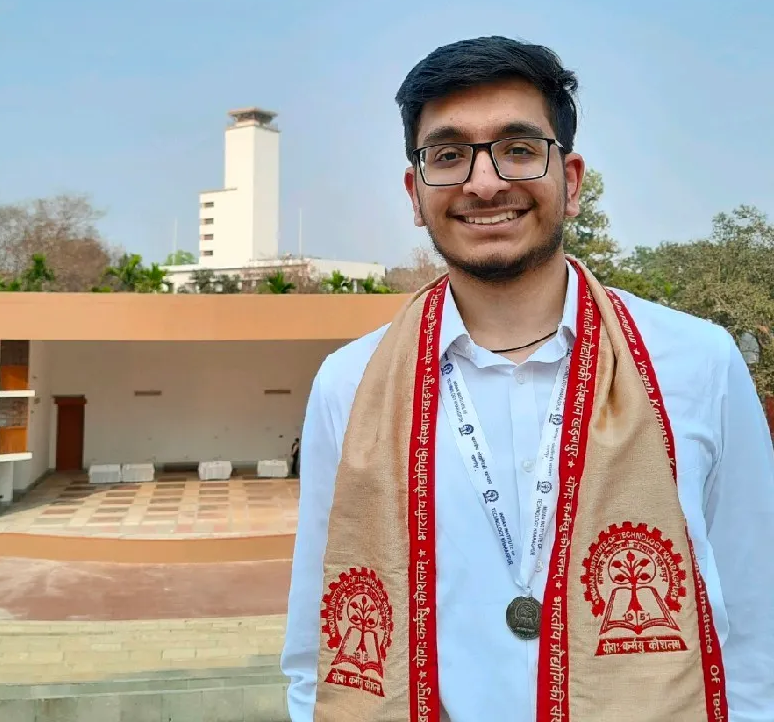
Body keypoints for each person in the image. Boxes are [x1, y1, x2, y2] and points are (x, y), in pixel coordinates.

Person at [281, 36, 774, 721]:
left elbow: (756, 621)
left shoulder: (696, 363)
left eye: (517, 148)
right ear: (415, 193)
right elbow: (319, 636)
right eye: (448, 155)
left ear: (569, 181)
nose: (484, 183)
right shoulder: (349, 385)